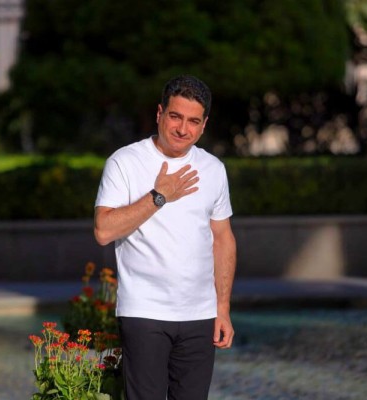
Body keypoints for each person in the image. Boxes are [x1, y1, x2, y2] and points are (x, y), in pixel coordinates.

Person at [94, 74, 236, 400]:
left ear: (204, 125)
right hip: (145, 312)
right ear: (160, 113)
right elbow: (103, 230)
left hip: (200, 315)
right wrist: (158, 197)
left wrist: (222, 307)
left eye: (193, 121)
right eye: (175, 116)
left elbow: (222, 238)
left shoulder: (213, 169)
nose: (182, 129)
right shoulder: (125, 162)